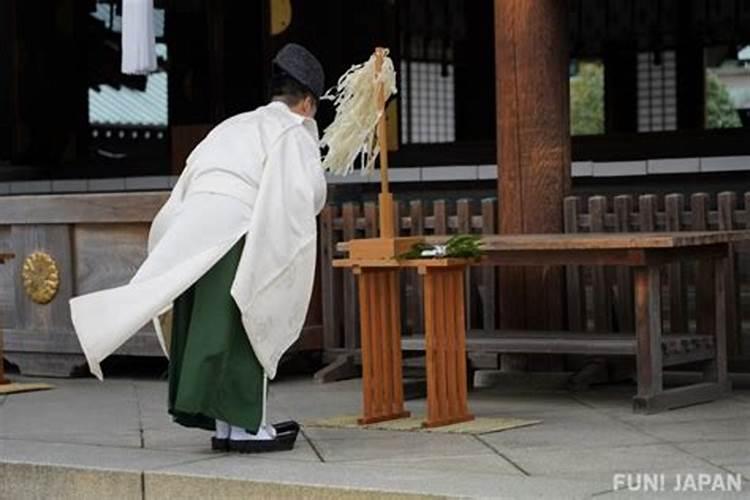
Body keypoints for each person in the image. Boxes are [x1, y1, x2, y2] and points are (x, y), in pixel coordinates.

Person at [69, 43, 327, 453]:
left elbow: (191, 177)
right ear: (308, 102)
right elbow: (302, 193)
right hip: (239, 228)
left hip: (194, 224)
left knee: (209, 326)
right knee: (242, 320)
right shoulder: (291, 131)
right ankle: (246, 427)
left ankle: (225, 425)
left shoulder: (234, 124)